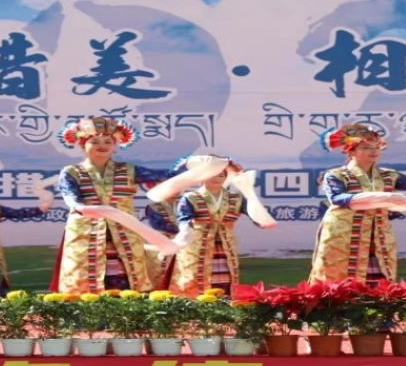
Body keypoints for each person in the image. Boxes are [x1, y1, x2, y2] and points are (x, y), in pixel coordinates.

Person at [51, 116, 196, 294]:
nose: (102, 145)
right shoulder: (71, 172)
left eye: (108, 141)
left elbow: (166, 176)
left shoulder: (128, 170)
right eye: (94, 141)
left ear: (115, 146)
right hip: (86, 230)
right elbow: (71, 198)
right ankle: (87, 309)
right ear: (82, 145)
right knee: (84, 275)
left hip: (125, 229)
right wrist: (81, 207)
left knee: (127, 273)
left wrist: (190, 163)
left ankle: (128, 309)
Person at [309, 124, 406, 285]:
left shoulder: (388, 175)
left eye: (376, 147)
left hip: (378, 233)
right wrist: (384, 197)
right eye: (366, 147)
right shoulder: (336, 175)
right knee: (338, 278)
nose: (374, 151)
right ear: (351, 151)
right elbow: (337, 198)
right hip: (344, 233)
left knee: (380, 280)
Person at [167, 158, 273, 297]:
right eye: (212, 175)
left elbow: (254, 215)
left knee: (226, 276)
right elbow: (184, 219)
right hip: (196, 244)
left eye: (221, 175)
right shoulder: (190, 197)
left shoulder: (235, 198)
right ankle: (194, 306)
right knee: (192, 276)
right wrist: (185, 233)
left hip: (225, 244)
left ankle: (225, 303)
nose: (216, 179)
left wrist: (260, 217)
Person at [143, 195, 179, 289]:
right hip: (159, 241)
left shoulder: (182, 204)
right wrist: (182, 228)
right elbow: (158, 225)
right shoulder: (153, 207)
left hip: (178, 241)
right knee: (158, 270)